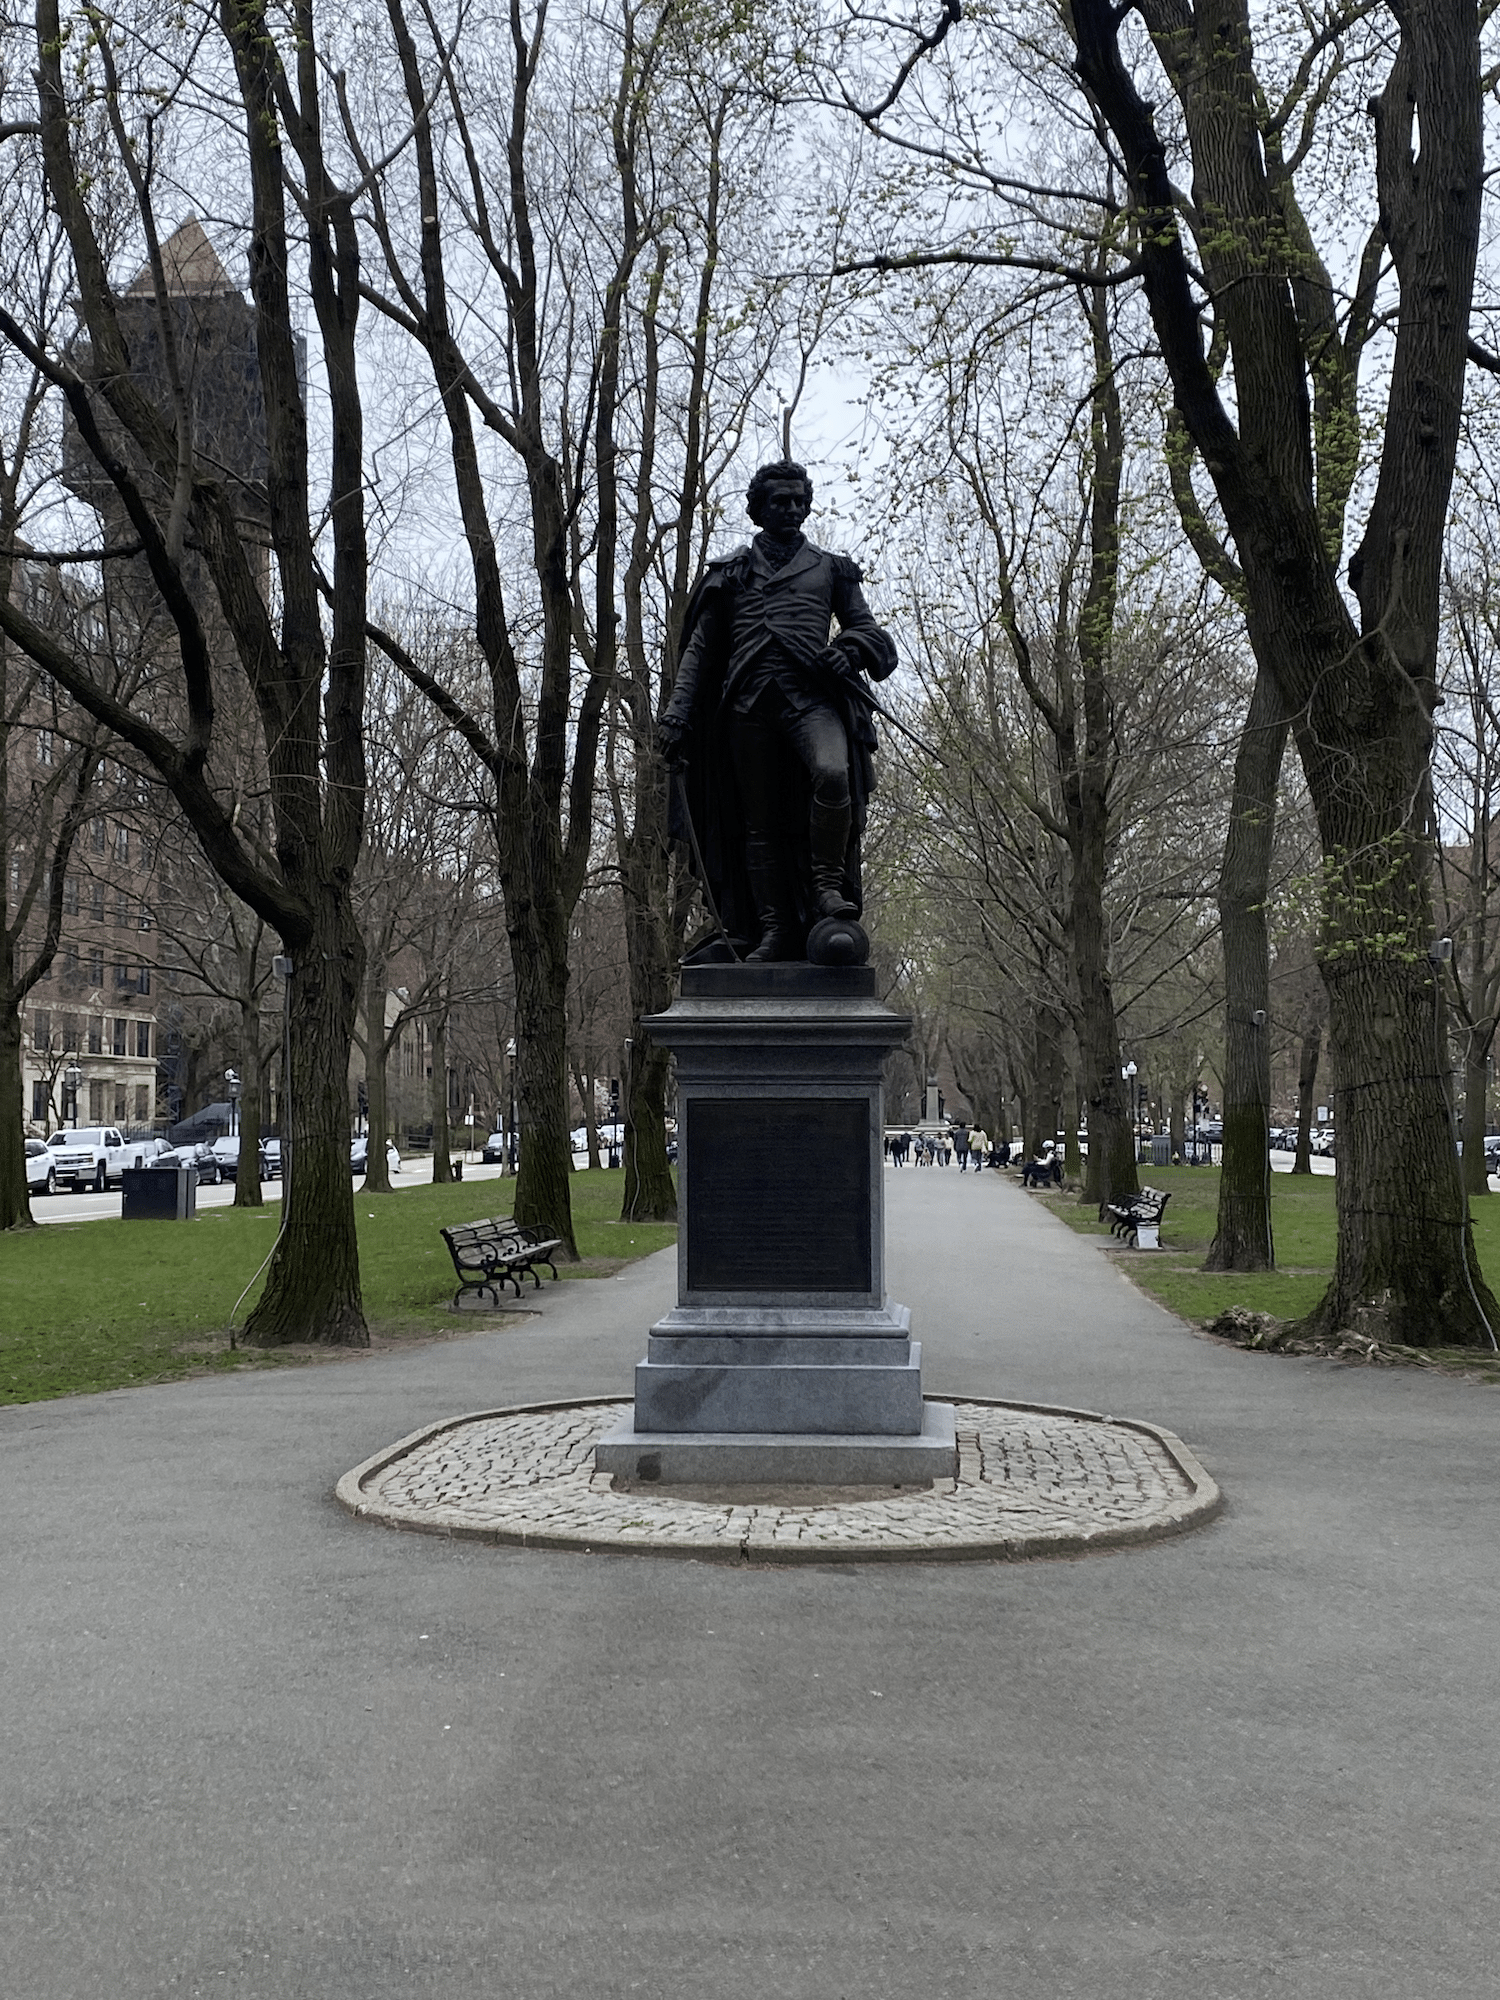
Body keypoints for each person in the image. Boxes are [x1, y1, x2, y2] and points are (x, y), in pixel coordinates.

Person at [658, 460, 899, 962]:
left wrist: (849, 649)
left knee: (833, 774)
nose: (791, 508)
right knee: (758, 822)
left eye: (797, 500)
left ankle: (827, 888)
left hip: (810, 700)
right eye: (779, 501)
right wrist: (678, 713)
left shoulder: (831, 569)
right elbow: (699, 651)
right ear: (758, 509)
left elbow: (870, 633)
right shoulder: (731, 573)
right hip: (747, 706)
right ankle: (774, 930)